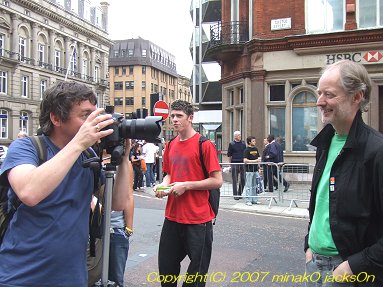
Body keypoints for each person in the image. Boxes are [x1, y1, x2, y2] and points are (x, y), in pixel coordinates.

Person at [0, 81, 131, 286]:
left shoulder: (87, 155)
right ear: (56, 118)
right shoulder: (27, 148)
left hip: (73, 277)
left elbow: (118, 203)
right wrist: (78, 143)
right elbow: (29, 192)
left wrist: (123, 158)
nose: (94, 122)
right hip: (21, 276)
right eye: (85, 115)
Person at [304, 60, 383, 286]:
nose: (320, 102)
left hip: (349, 271)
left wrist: (353, 266)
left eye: (329, 94)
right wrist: (308, 247)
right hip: (314, 264)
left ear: (357, 96)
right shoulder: (324, 144)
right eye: (319, 93)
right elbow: (320, 205)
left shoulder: (376, 151)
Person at [154, 100, 222, 287]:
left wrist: (186, 186)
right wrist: (163, 186)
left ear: (190, 118)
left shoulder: (204, 144)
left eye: (179, 116)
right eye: (172, 115)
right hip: (173, 217)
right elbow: (169, 174)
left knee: (196, 274)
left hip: (198, 219)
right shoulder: (171, 144)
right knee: (166, 271)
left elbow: (217, 181)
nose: (174, 120)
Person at [227, 131, 246, 200]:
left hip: (242, 163)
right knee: (235, 179)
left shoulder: (243, 143)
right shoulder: (231, 144)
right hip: (234, 163)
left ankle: (240, 193)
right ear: (235, 136)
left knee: (243, 179)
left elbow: (245, 153)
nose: (240, 136)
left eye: (240, 135)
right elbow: (229, 155)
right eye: (238, 135)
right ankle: (235, 194)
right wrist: (230, 165)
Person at [243, 136, 261, 206]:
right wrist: (255, 161)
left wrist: (259, 168)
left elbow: (258, 158)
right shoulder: (246, 150)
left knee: (255, 185)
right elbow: (245, 160)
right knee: (249, 186)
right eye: (253, 141)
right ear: (249, 142)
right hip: (249, 170)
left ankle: (255, 199)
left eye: (255, 141)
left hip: (255, 169)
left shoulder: (256, 149)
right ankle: (248, 200)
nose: (255, 142)